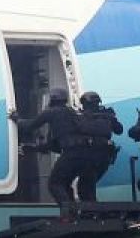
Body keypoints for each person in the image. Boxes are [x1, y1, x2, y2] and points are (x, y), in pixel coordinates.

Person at [13, 88, 120, 219]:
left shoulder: (52, 112)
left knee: (55, 183)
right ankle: (90, 214)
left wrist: (16, 119)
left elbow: (29, 126)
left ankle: (70, 214)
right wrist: (34, 148)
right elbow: (58, 142)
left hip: (73, 155)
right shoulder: (73, 114)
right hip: (90, 156)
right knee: (80, 187)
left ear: (52, 99)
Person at [73, 91, 123, 204]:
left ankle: (94, 213)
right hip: (105, 157)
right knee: (88, 187)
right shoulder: (107, 115)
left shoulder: (82, 117)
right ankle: (93, 212)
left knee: (84, 188)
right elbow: (119, 130)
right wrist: (111, 117)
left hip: (91, 156)